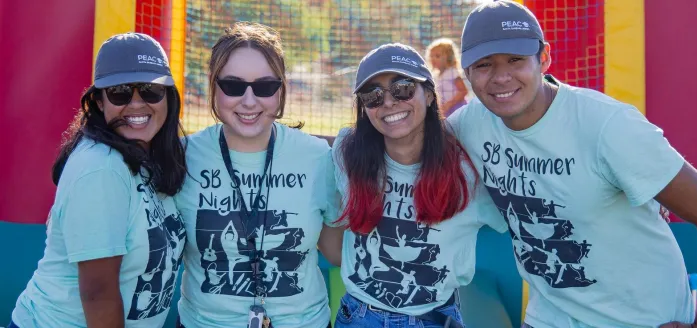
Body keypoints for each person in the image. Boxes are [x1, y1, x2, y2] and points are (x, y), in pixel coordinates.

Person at [448, 2, 697, 328]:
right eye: (485, 65)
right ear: (467, 72)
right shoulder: (469, 125)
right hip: (549, 318)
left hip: (641, 320)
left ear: (544, 58)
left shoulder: (607, 126)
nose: (501, 77)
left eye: (515, 60)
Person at [9, 33, 188, 328]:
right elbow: (98, 294)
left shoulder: (153, 156)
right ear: (99, 102)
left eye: (150, 90)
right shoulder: (101, 168)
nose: (136, 104)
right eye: (119, 92)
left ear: (168, 97)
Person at [173, 22, 342, 328]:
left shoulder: (316, 158)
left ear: (281, 89)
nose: (249, 101)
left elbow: (338, 251)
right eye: (234, 86)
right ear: (213, 85)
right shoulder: (183, 157)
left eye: (264, 87)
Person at [331, 43, 507, 328]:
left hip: (434, 317)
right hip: (360, 316)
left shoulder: (468, 171)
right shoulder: (346, 154)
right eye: (373, 96)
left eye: (402, 88)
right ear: (365, 108)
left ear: (428, 94)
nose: (388, 102)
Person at [425, 38, 469, 117]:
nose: (433, 59)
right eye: (431, 56)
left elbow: (463, 91)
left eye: (437, 56)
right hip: (445, 110)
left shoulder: (452, 72)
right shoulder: (436, 75)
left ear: (449, 58)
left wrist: (449, 104)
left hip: (456, 107)